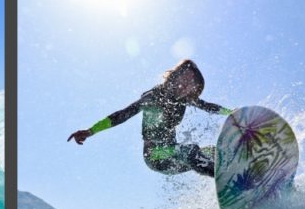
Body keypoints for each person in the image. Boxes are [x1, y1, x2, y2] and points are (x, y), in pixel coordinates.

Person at [68, 59, 233, 177]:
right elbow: (122, 114)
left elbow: (208, 106)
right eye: (185, 79)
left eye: (192, 83)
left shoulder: (184, 99)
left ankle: (240, 171)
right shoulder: (153, 97)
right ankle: (225, 178)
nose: (188, 86)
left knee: (214, 151)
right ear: (175, 76)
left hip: (176, 155)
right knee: (190, 150)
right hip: (156, 156)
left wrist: (231, 113)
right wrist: (91, 131)